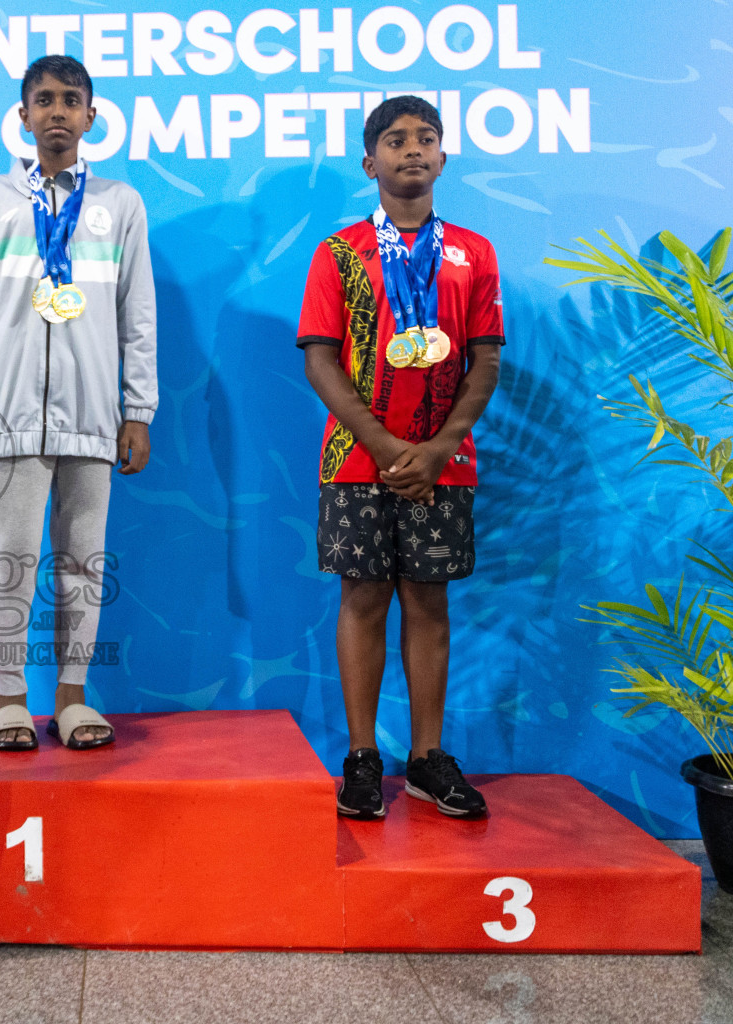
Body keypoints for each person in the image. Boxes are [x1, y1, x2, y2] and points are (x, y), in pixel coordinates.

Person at [297, 95, 504, 822]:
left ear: (443, 157)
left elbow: (484, 359)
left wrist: (440, 446)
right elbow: (320, 361)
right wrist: (386, 447)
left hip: (444, 464)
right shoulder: (339, 253)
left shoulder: (473, 253)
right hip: (358, 461)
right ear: (369, 162)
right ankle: (361, 758)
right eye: (394, 140)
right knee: (361, 600)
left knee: (428, 602)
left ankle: (426, 757)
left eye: (426, 138)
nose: (411, 149)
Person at [0, 55, 157, 752]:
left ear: (91, 117)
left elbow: (138, 315)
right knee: (7, 560)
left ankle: (72, 698)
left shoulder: (119, 205)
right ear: (23, 116)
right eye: (43, 100)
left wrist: (138, 411)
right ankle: (8, 700)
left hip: (93, 419)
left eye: (71, 101)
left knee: (83, 564)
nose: (57, 113)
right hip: (8, 418)